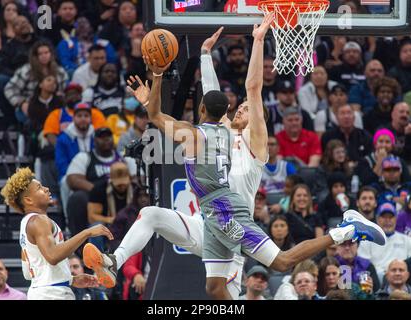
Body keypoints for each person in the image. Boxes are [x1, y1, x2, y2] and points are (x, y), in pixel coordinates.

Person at [83, 21, 386, 301]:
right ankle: (112, 262)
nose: (240, 110)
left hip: (232, 220)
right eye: (236, 108)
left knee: (276, 262)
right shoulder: (221, 133)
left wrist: (257, 41)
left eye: (244, 110)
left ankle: (347, 229)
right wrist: (204, 55)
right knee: (153, 218)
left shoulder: (255, 145)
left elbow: (253, 90)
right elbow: (211, 100)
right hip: (206, 221)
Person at [0, 167, 113, 300]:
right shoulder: (39, 221)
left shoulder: (27, 223)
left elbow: (28, 273)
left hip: (42, 291)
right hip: (51, 294)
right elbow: (52, 256)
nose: (46, 188)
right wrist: (86, 233)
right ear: (28, 200)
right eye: (39, 188)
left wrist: (71, 280)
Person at [65, 127, 123, 237]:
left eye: (108, 137)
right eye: (102, 138)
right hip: (96, 199)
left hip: (120, 196)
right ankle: (79, 244)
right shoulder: (84, 157)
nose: (106, 140)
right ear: (94, 141)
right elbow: (73, 179)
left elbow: (135, 179)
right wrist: (99, 190)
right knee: (77, 198)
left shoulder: (123, 157)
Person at [358, 202, 411, 283]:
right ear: (377, 219)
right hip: (376, 279)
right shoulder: (366, 240)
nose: (387, 220)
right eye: (384, 217)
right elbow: (364, 266)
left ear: (396, 219)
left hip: (401, 278)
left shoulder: (407, 240)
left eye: (390, 217)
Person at [87, 162, 134, 251]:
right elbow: (92, 217)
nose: (121, 186)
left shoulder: (136, 188)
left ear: (129, 178)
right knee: (96, 227)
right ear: (111, 178)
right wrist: (112, 220)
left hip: (130, 223)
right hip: (109, 224)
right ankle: (97, 258)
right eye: (118, 183)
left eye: (124, 182)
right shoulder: (99, 189)